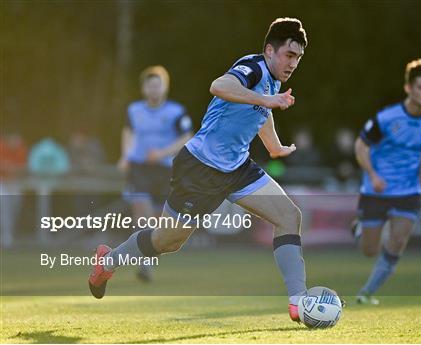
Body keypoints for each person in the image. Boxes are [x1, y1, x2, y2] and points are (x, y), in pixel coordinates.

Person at [88, 18, 310, 322]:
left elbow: (262, 113)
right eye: (289, 55)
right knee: (168, 241)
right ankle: (108, 261)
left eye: (297, 57)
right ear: (270, 50)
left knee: (289, 216)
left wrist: (274, 146)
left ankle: (299, 303)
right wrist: (265, 99)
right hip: (200, 168)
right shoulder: (254, 67)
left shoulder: (273, 81)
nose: (293, 63)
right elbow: (220, 86)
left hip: (237, 168)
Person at [352, 59, 421, 305]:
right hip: (377, 188)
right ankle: (359, 229)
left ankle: (366, 293)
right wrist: (372, 174)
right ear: (409, 89)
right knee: (369, 250)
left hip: (409, 189)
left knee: (398, 241)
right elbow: (361, 146)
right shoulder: (386, 118)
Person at [117, 65, 193, 281]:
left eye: (158, 85)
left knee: (163, 222)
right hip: (139, 169)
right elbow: (128, 132)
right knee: (142, 213)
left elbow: (187, 137)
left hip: (166, 169)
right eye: (150, 85)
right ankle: (145, 264)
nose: (154, 90)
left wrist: (161, 153)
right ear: (143, 89)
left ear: (165, 88)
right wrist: (126, 155)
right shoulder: (134, 110)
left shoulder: (176, 112)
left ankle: (147, 255)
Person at [0, 132, 28, 248]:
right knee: (4, 202)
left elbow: (23, 168)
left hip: (14, 182)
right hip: (1, 181)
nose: (15, 143)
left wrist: (11, 170)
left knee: (16, 202)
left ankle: (10, 233)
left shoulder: (20, 149)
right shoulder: (2, 146)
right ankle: (7, 237)